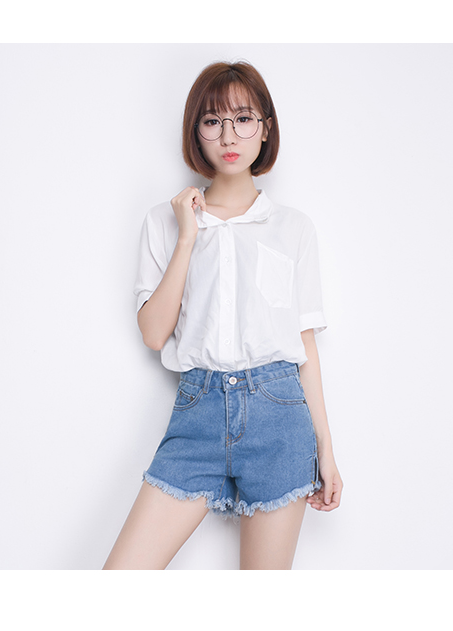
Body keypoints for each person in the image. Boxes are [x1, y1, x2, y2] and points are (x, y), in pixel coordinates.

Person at [103, 60, 343, 570]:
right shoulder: (164, 222)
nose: (228, 136)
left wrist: (326, 448)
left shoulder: (293, 228)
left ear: (265, 128)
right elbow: (154, 333)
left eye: (243, 119)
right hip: (199, 413)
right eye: (212, 121)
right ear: (196, 132)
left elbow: (304, 346)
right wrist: (188, 237)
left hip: (279, 417)